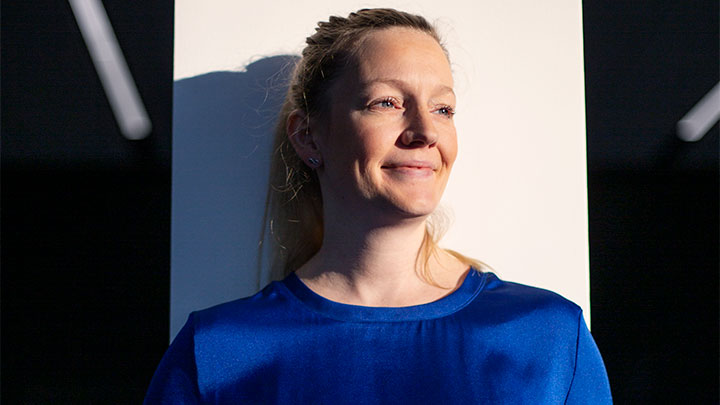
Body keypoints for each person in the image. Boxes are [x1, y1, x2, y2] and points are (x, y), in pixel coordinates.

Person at [145, 8, 612, 404]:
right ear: (308, 136)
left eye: (443, 109)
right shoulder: (217, 352)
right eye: (387, 102)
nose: (425, 132)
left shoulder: (549, 338)